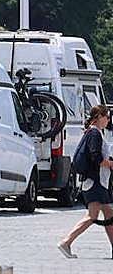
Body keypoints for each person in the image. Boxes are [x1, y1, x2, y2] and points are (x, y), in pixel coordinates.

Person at [57, 104, 113, 258]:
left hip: (95, 182)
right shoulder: (95, 134)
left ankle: (66, 243)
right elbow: (96, 157)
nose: (108, 120)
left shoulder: (92, 132)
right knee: (94, 216)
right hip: (96, 182)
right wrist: (110, 163)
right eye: (107, 117)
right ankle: (66, 242)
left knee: (107, 216)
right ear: (100, 117)